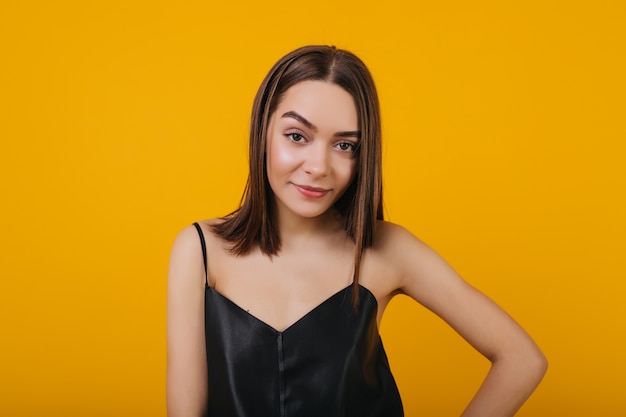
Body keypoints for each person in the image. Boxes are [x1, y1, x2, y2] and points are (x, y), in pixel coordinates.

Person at [166, 45, 547, 417]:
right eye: (297, 136)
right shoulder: (199, 249)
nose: (318, 166)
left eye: (344, 145)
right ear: (263, 132)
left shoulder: (388, 250)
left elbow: (522, 359)